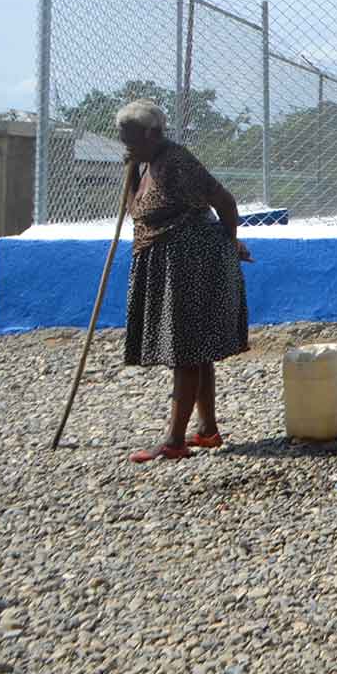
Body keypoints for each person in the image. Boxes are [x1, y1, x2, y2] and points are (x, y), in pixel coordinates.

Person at [114, 100, 251, 463]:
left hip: (192, 265)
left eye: (131, 139)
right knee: (196, 349)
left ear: (152, 133)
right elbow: (138, 212)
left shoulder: (177, 162)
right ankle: (207, 430)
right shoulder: (148, 164)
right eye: (123, 139)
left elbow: (225, 201)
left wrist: (230, 242)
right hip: (170, 263)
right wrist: (132, 171)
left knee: (186, 349)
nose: (125, 145)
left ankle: (175, 441)